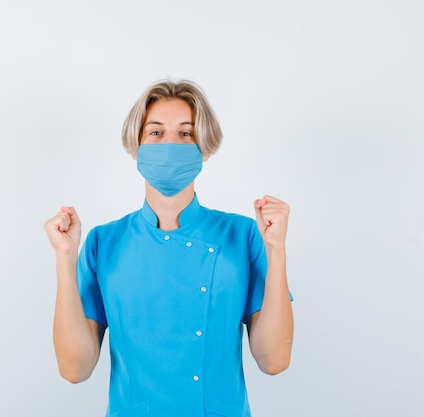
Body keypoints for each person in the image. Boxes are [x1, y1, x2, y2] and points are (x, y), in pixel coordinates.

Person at [44, 80, 294, 417]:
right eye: (156, 133)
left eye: (186, 134)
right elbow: (75, 368)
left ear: (204, 148)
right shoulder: (104, 243)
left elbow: (274, 360)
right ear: (136, 147)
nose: (170, 145)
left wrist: (277, 251)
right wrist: (64, 257)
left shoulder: (243, 235)